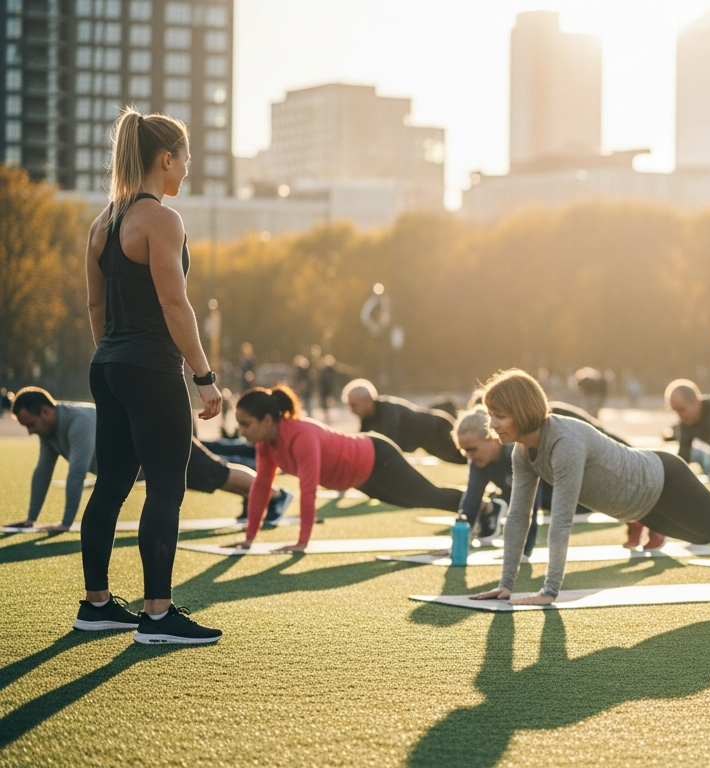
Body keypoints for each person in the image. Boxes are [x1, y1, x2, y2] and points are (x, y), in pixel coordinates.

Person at [467, 370, 710, 605]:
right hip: (642, 507)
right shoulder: (521, 453)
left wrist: (549, 591)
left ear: (524, 410)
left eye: (500, 415)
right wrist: (507, 583)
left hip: (664, 480)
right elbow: (518, 517)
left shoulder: (565, 441)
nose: (492, 425)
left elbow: (559, 521)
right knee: (704, 538)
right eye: (490, 415)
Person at [77, 107, 223, 644]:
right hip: (150, 367)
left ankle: (96, 606)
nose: (188, 169)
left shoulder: (102, 222)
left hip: (108, 365)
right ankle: (157, 615)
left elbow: (96, 306)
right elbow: (173, 302)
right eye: (185, 159)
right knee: (165, 485)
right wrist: (203, 375)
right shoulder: (160, 220)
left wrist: (114, 359)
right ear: (166, 159)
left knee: (112, 485)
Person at [6, 387, 291, 531]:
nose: (31, 432)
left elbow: (77, 473)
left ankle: (277, 495)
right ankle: (255, 497)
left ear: (45, 412)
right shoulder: (50, 432)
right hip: (146, 460)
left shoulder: (78, 421)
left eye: (30, 424)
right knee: (214, 477)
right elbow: (42, 472)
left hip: (162, 445)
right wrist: (31, 519)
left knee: (216, 473)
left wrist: (65, 524)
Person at [235, 385, 464, 551]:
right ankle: (478, 508)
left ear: (266, 420)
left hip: (376, 456)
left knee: (426, 496)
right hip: (360, 478)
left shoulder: (301, 436)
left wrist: (302, 542)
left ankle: (482, 508)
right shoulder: (265, 444)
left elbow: (308, 489)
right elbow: (262, 486)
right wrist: (249, 538)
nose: (242, 431)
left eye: (246, 424)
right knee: (412, 500)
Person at [456, 403, 665, 552]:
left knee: (613, 496)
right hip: (554, 494)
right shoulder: (478, 462)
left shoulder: (517, 451)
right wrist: (457, 543)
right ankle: (635, 520)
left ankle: (652, 521)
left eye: (472, 449)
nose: (468, 456)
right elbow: (471, 499)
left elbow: (529, 507)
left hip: (573, 483)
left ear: (491, 440)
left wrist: (523, 552)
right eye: (464, 451)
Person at [342, 379, 466, 465]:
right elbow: (361, 443)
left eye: (354, 405)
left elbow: (390, 445)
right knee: (464, 458)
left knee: (467, 455)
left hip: (438, 428)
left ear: (368, 401)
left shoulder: (388, 411)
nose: (351, 410)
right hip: (427, 440)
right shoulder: (367, 417)